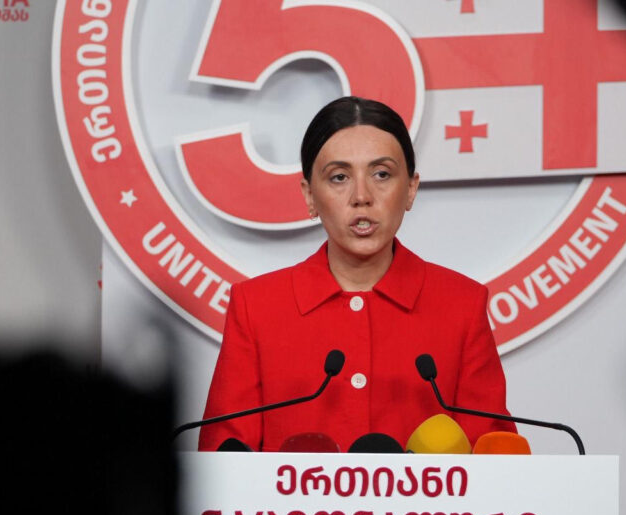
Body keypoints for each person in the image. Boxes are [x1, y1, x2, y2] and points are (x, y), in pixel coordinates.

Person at [197, 96, 515, 453]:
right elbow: (221, 460)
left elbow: (497, 460)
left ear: (411, 188)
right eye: (339, 177)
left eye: (382, 174)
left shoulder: (461, 305)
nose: (361, 196)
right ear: (309, 196)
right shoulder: (257, 308)